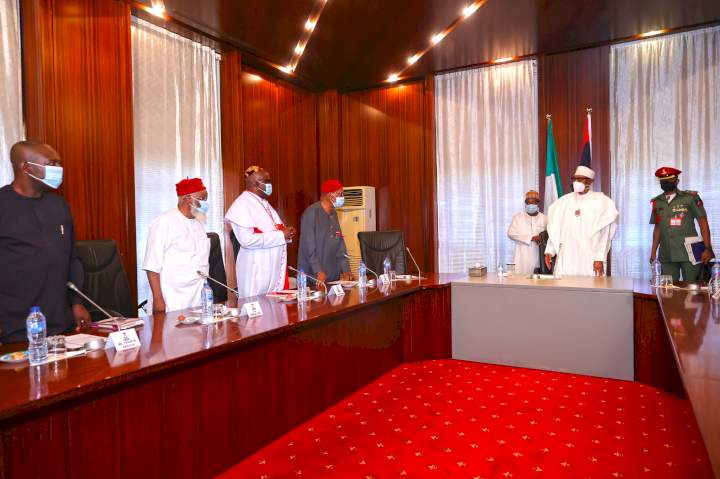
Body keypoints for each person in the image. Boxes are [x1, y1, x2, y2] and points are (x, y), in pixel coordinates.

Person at [0, 141, 90, 343]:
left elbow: (72, 258)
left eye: (59, 163)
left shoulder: (59, 205)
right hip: (15, 328)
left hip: (62, 323)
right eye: (52, 164)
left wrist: (77, 303)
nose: (59, 169)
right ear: (26, 167)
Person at [225, 166, 296, 298]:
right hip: (256, 271)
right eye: (267, 181)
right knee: (257, 315)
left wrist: (287, 233)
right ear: (256, 184)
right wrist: (281, 235)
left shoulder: (264, 203)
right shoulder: (242, 205)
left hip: (271, 271)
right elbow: (247, 240)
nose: (270, 184)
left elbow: (276, 229)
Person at [142, 178, 211, 312]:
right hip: (172, 301)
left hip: (197, 299)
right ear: (188, 199)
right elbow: (151, 266)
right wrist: (158, 299)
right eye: (203, 198)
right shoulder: (164, 222)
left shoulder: (199, 222)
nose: (206, 203)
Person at [544, 165, 618, 276]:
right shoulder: (563, 202)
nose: (576, 182)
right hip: (567, 256)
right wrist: (550, 251)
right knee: (565, 288)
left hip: (590, 257)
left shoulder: (601, 201)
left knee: (589, 290)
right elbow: (555, 228)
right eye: (575, 179)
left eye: (580, 179)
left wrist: (599, 257)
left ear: (590, 181)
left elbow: (605, 233)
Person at [649, 166, 713, 282]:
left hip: (690, 253)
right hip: (666, 254)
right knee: (667, 291)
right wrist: (653, 251)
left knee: (692, 291)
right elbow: (658, 228)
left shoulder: (690, 198)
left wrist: (707, 248)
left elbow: (703, 222)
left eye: (669, 180)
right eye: (663, 181)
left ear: (677, 181)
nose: (666, 183)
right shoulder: (657, 202)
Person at [298, 179, 352, 284]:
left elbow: (340, 244)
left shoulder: (334, 214)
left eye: (342, 194)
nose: (342, 197)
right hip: (314, 278)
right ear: (329, 195)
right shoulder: (311, 213)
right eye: (339, 194)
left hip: (332, 277)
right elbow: (309, 247)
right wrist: (318, 270)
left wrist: (346, 269)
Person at [507, 190, 547, 275]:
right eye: (528, 202)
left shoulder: (544, 218)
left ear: (538, 203)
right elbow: (511, 233)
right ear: (525, 203)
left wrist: (542, 237)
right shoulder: (518, 217)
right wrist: (531, 238)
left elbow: (548, 235)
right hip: (521, 255)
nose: (530, 205)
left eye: (533, 202)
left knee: (536, 281)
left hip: (537, 254)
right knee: (519, 281)